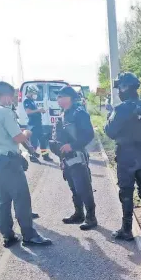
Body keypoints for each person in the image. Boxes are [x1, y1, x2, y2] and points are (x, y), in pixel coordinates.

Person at [0, 82, 52, 247]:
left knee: (2, 200)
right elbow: (18, 137)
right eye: (11, 97)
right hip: (8, 162)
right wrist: (27, 132)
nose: (11, 101)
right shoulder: (3, 112)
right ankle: (29, 235)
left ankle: (8, 236)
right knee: (21, 198)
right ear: (5, 95)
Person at [104, 72, 141, 241]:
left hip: (126, 156)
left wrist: (109, 115)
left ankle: (126, 230)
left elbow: (110, 132)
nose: (118, 91)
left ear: (125, 87)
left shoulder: (121, 109)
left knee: (126, 192)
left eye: (119, 87)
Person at [49, 86, 97, 230]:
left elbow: (89, 135)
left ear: (70, 97)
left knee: (83, 187)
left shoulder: (79, 113)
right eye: (58, 97)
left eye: (61, 96)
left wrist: (73, 146)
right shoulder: (64, 113)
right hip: (66, 157)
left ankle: (91, 217)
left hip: (77, 156)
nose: (59, 99)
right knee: (74, 187)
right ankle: (79, 213)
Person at [23, 85, 53, 163]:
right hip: (32, 125)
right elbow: (28, 111)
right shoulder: (26, 101)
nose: (35, 95)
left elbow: (34, 110)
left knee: (43, 141)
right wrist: (38, 110)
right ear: (30, 92)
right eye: (34, 93)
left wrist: (41, 111)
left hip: (38, 124)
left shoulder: (32, 100)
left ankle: (45, 156)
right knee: (34, 142)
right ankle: (32, 156)